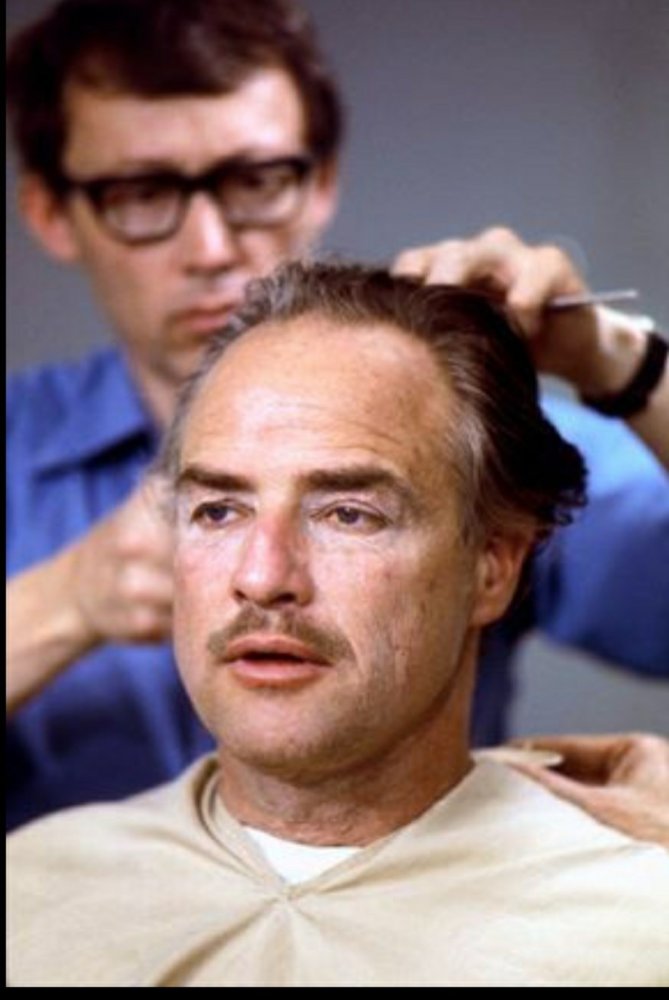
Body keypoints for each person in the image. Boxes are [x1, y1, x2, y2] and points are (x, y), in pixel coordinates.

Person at [5, 0, 669, 831]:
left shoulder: (459, 434)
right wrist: (64, 602)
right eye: (141, 194)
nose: (211, 248)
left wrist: (618, 362)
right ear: (50, 213)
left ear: (320, 181)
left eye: (254, 182)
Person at [8, 263, 669, 988]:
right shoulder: (29, 898)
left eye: (349, 515)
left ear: (492, 566)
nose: (263, 577)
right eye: (219, 511)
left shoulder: (636, 924)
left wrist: (626, 363)